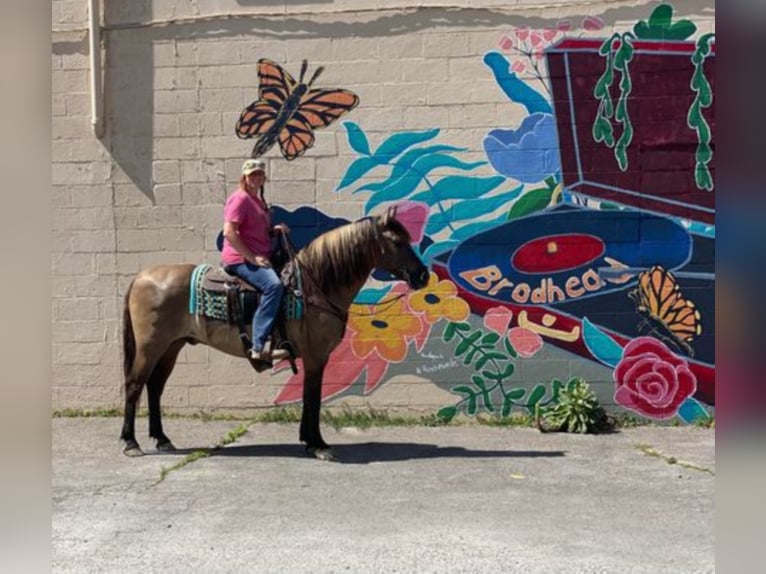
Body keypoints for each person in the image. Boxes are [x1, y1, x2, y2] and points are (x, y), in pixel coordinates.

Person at [221, 159, 290, 362]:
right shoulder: (240, 199)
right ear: (244, 177)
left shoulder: (257, 200)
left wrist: (274, 231)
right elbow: (229, 232)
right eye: (252, 175)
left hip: (259, 255)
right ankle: (258, 346)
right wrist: (253, 258)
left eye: (259, 174)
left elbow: (254, 230)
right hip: (239, 259)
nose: (256, 178)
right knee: (273, 286)